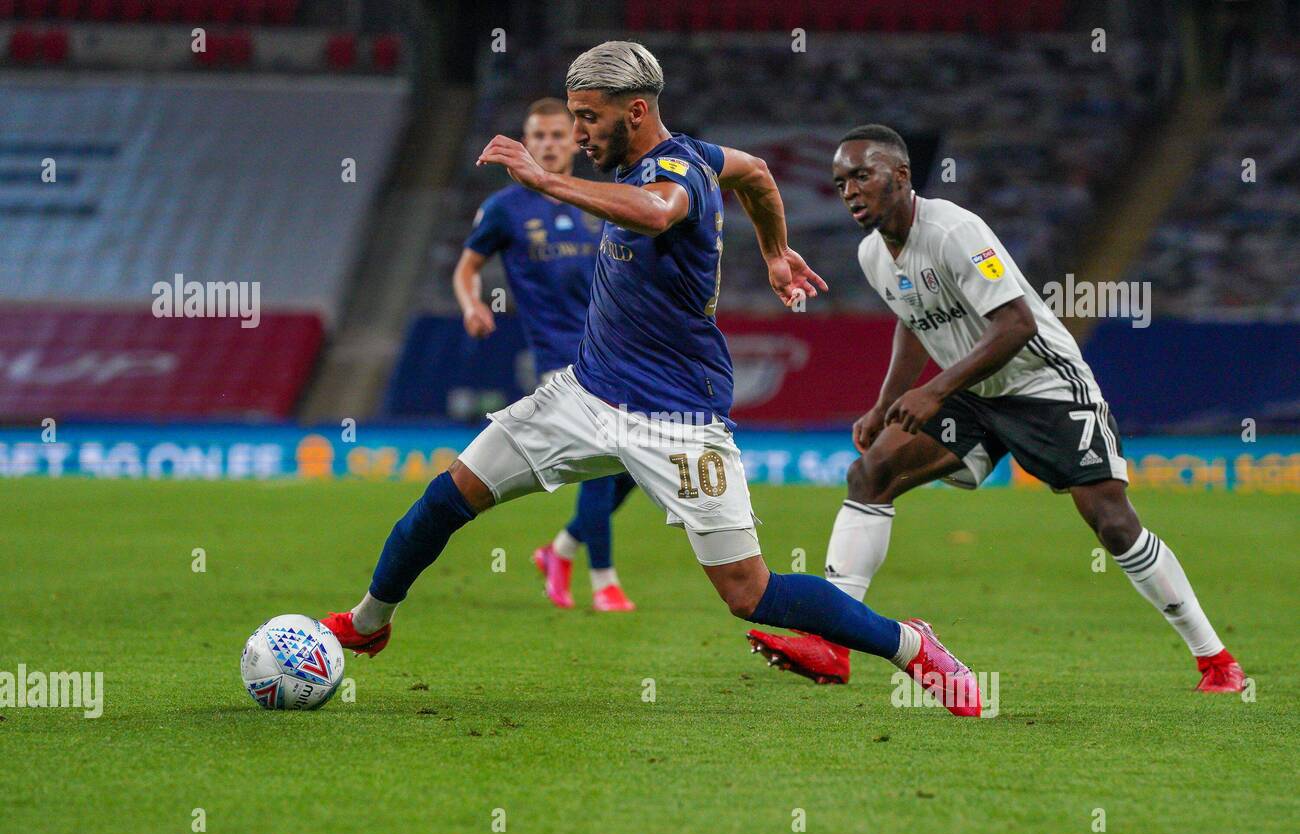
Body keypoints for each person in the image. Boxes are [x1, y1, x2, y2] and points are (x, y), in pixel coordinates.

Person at [323, 44, 984, 717]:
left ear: (635, 111)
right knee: (448, 495)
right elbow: (755, 172)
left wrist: (543, 181)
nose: (576, 135)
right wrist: (776, 251)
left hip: (678, 419)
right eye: (573, 117)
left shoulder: (677, 172)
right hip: (585, 394)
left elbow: (656, 212)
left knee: (749, 594)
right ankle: (368, 622)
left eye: (588, 118)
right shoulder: (695, 155)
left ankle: (912, 646)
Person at [746, 124, 1245, 695]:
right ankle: (832, 643)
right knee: (871, 472)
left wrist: (932, 392)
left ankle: (1216, 660)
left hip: (1042, 383)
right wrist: (885, 403)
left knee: (1112, 522)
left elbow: (1016, 325)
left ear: (901, 176)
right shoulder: (872, 255)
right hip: (977, 393)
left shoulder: (956, 230)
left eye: (863, 175)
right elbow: (915, 323)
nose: (851, 191)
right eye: (839, 183)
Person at [453, 96, 637, 612]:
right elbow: (466, 268)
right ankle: (603, 581)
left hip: (621, 353)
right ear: (527, 144)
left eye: (559, 135)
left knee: (637, 464)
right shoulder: (506, 208)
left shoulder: (598, 197)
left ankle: (560, 549)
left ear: (577, 141)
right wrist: (472, 305)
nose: (550, 144)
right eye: (539, 136)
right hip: (563, 360)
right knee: (605, 461)